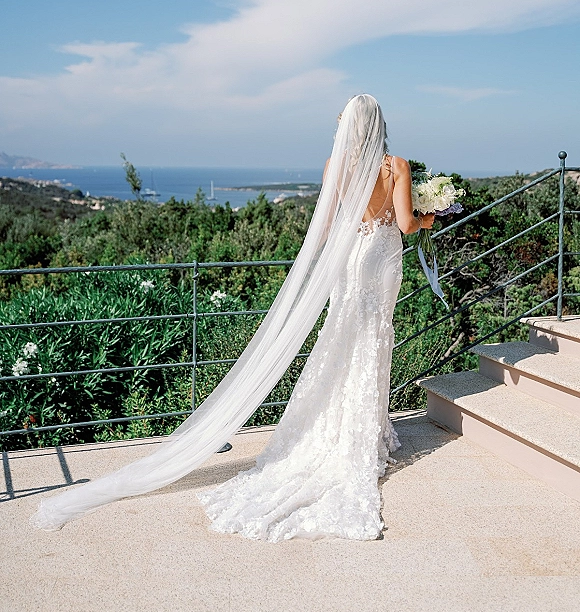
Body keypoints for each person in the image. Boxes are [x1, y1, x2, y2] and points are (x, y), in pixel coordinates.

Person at [31, 94, 433, 538]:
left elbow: (326, 225)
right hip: (380, 255)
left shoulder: (334, 164)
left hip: (348, 257)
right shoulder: (395, 165)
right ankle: (367, 432)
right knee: (373, 340)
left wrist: (309, 270)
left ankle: (342, 430)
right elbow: (404, 222)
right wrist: (430, 216)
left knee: (340, 339)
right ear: (379, 124)